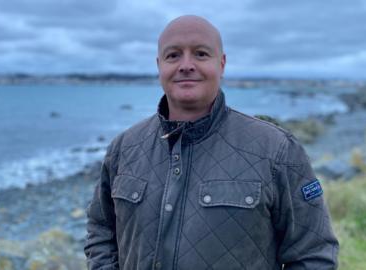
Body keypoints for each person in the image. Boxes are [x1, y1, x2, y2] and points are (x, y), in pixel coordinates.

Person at [84, 15, 339, 270]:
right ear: (159, 65)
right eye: (173, 55)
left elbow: (313, 255)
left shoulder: (277, 150)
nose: (186, 65)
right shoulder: (124, 148)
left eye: (201, 54)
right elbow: (101, 230)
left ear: (222, 63)